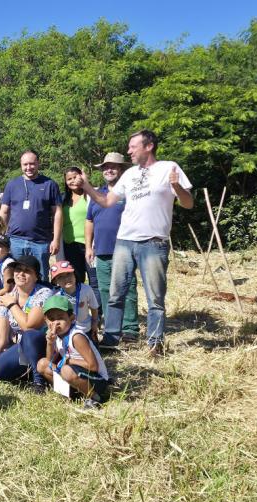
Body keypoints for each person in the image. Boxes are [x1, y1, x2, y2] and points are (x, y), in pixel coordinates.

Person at [79, 131, 194, 356]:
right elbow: (106, 201)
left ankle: (154, 344)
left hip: (153, 242)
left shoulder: (169, 168)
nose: (129, 151)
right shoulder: (130, 174)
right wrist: (87, 186)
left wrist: (177, 187)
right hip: (124, 241)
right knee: (115, 294)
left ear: (149, 146)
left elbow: (188, 203)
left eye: (133, 147)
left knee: (155, 297)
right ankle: (111, 339)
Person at [85, 152, 138, 342]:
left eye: (113, 167)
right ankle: (111, 329)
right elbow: (89, 220)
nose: (109, 170)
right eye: (106, 167)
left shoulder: (129, 192)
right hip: (102, 251)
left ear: (121, 169)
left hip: (125, 249)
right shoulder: (97, 194)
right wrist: (89, 247)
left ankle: (130, 328)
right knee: (106, 289)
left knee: (128, 288)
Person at [0, 256, 53, 389]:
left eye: (27, 271)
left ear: (36, 277)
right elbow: (0, 336)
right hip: (22, 347)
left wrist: (11, 304)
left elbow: (29, 325)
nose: (21, 273)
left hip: (45, 346)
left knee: (29, 335)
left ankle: (39, 381)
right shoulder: (9, 296)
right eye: (18, 269)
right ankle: (29, 373)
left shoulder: (44, 293)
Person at [35, 295, 111, 409]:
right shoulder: (58, 337)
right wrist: (50, 343)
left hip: (98, 382)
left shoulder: (76, 337)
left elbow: (93, 366)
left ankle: (95, 398)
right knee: (42, 364)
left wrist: (69, 360)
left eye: (60, 317)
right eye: (51, 319)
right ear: (45, 320)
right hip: (78, 376)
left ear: (72, 318)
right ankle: (70, 394)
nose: (56, 323)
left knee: (66, 370)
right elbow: (50, 361)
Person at [0, 150, 63, 281]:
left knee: (41, 277)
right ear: (21, 165)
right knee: (17, 277)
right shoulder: (12, 185)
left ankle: (42, 301)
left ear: (38, 163)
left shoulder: (49, 184)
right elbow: (4, 211)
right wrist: (1, 236)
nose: (28, 167)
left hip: (40, 242)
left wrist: (56, 239)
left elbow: (57, 213)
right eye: (25, 164)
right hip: (15, 240)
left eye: (32, 164)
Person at [49, 260, 99, 341]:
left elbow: (94, 308)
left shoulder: (86, 289)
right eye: (60, 277)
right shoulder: (56, 296)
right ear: (55, 282)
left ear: (75, 274)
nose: (66, 278)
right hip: (66, 331)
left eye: (69, 274)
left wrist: (94, 323)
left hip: (86, 328)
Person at [60, 167, 91, 284]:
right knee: (76, 280)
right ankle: (79, 302)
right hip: (70, 245)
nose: (73, 181)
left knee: (94, 280)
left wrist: (86, 184)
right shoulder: (63, 199)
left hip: (89, 245)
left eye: (75, 177)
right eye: (69, 179)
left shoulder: (89, 196)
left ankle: (96, 303)